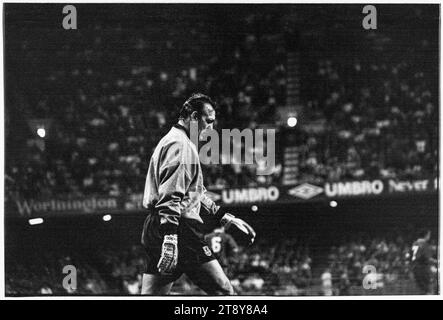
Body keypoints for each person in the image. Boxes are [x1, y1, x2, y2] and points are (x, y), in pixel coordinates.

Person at [140, 93, 256, 295]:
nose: (211, 128)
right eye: (208, 121)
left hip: (158, 226)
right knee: (224, 292)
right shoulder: (181, 145)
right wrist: (170, 237)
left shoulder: (175, 140)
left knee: (152, 298)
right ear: (194, 117)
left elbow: (193, 193)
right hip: (178, 228)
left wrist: (223, 216)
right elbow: (171, 195)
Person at [410, 229, 437, 295]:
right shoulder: (424, 244)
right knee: (429, 291)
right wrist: (438, 262)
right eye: (429, 235)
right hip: (423, 269)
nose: (429, 236)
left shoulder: (414, 243)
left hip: (414, 269)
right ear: (426, 235)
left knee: (422, 290)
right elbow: (427, 259)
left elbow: (411, 256)